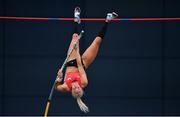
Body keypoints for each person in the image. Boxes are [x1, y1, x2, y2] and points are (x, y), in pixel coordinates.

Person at [55, 7, 118, 113]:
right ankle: (108, 20)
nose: (76, 87)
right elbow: (79, 65)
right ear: (81, 88)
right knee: (97, 42)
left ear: (72, 91)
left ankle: (76, 19)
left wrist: (59, 77)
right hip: (82, 63)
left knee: (75, 37)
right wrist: (77, 48)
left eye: (75, 89)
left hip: (70, 61)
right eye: (78, 88)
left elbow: (57, 87)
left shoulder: (66, 87)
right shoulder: (84, 82)